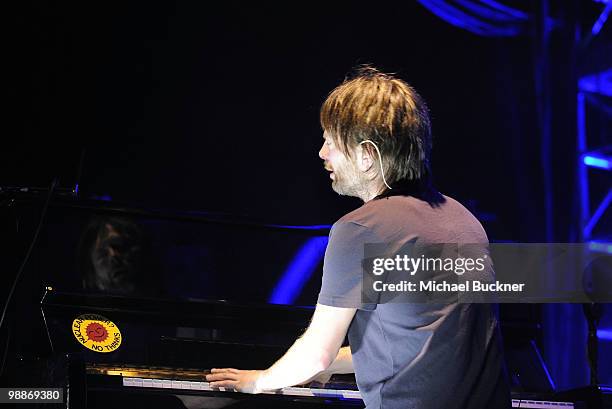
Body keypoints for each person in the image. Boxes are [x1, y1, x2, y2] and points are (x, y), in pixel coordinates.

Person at [206, 66, 510, 408]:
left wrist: (258, 381)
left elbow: (316, 355)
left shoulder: (362, 228)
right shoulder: (465, 222)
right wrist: (314, 367)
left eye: (331, 141)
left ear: (367, 156)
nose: (322, 152)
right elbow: (422, 345)